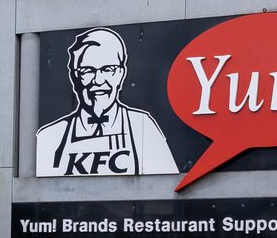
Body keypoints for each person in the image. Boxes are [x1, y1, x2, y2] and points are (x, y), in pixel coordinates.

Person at [35, 27, 178, 176]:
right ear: (74, 77)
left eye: (108, 69)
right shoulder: (50, 137)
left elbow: (168, 190)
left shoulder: (142, 127)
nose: (98, 80)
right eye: (88, 71)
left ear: (121, 74)